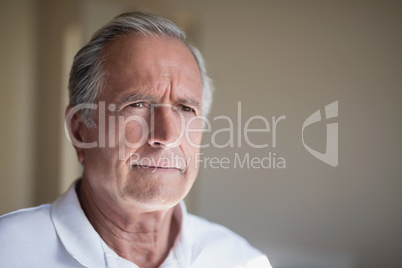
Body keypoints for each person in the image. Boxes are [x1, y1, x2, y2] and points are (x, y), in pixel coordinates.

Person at [0, 12, 272, 268]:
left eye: (186, 108)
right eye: (138, 104)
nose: (167, 136)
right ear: (80, 130)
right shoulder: (9, 251)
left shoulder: (242, 261)